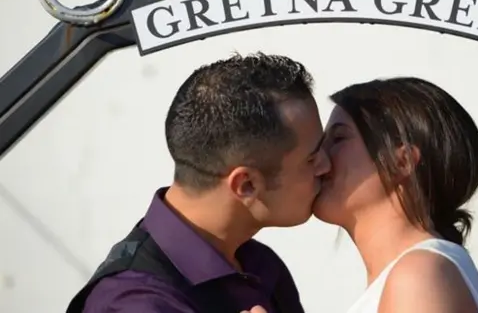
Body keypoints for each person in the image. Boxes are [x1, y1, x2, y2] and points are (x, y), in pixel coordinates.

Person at [66, 53, 331, 313]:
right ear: (246, 184)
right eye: (311, 159)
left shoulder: (257, 264)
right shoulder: (136, 303)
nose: (326, 165)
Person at [313, 77, 478, 313]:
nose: (318, 158)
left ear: (402, 161)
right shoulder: (421, 271)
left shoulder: (417, 276)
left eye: (338, 138)